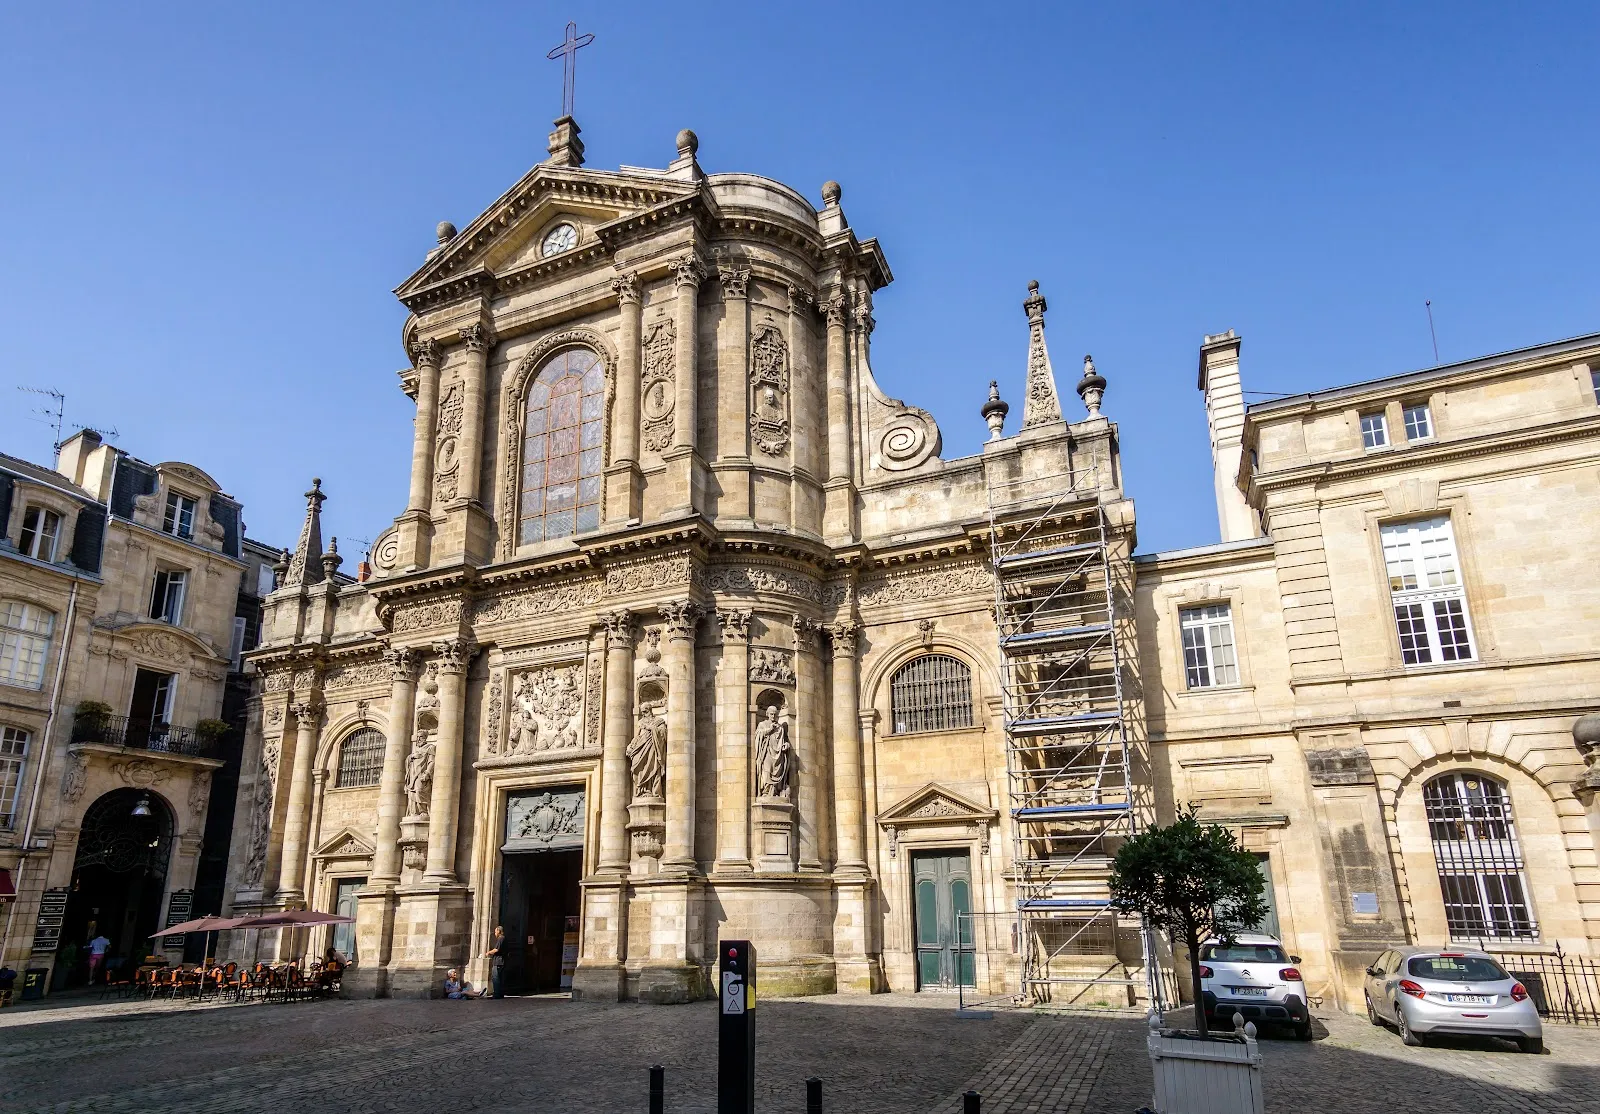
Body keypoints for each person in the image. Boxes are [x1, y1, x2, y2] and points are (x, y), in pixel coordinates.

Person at [486, 926, 506, 999]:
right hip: (502, 961)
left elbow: (496, 949)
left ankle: (497, 994)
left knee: (496, 978)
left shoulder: (501, 939)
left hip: (498, 962)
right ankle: (500, 994)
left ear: (499, 931)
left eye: (495, 932)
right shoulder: (504, 939)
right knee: (500, 978)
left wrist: (488, 952)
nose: (495, 933)